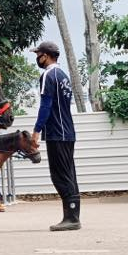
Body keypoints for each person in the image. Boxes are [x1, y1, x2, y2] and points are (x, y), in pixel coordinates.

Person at [32, 41, 80, 231]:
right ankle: (73, 216)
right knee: (69, 174)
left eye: (38, 54)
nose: (37, 58)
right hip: (67, 132)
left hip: (56, 133)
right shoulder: (63, 75)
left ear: (46, 55)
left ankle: (72, 218)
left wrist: (37, 131)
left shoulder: (48, 75)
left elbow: (46, 106)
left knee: (59, 175)